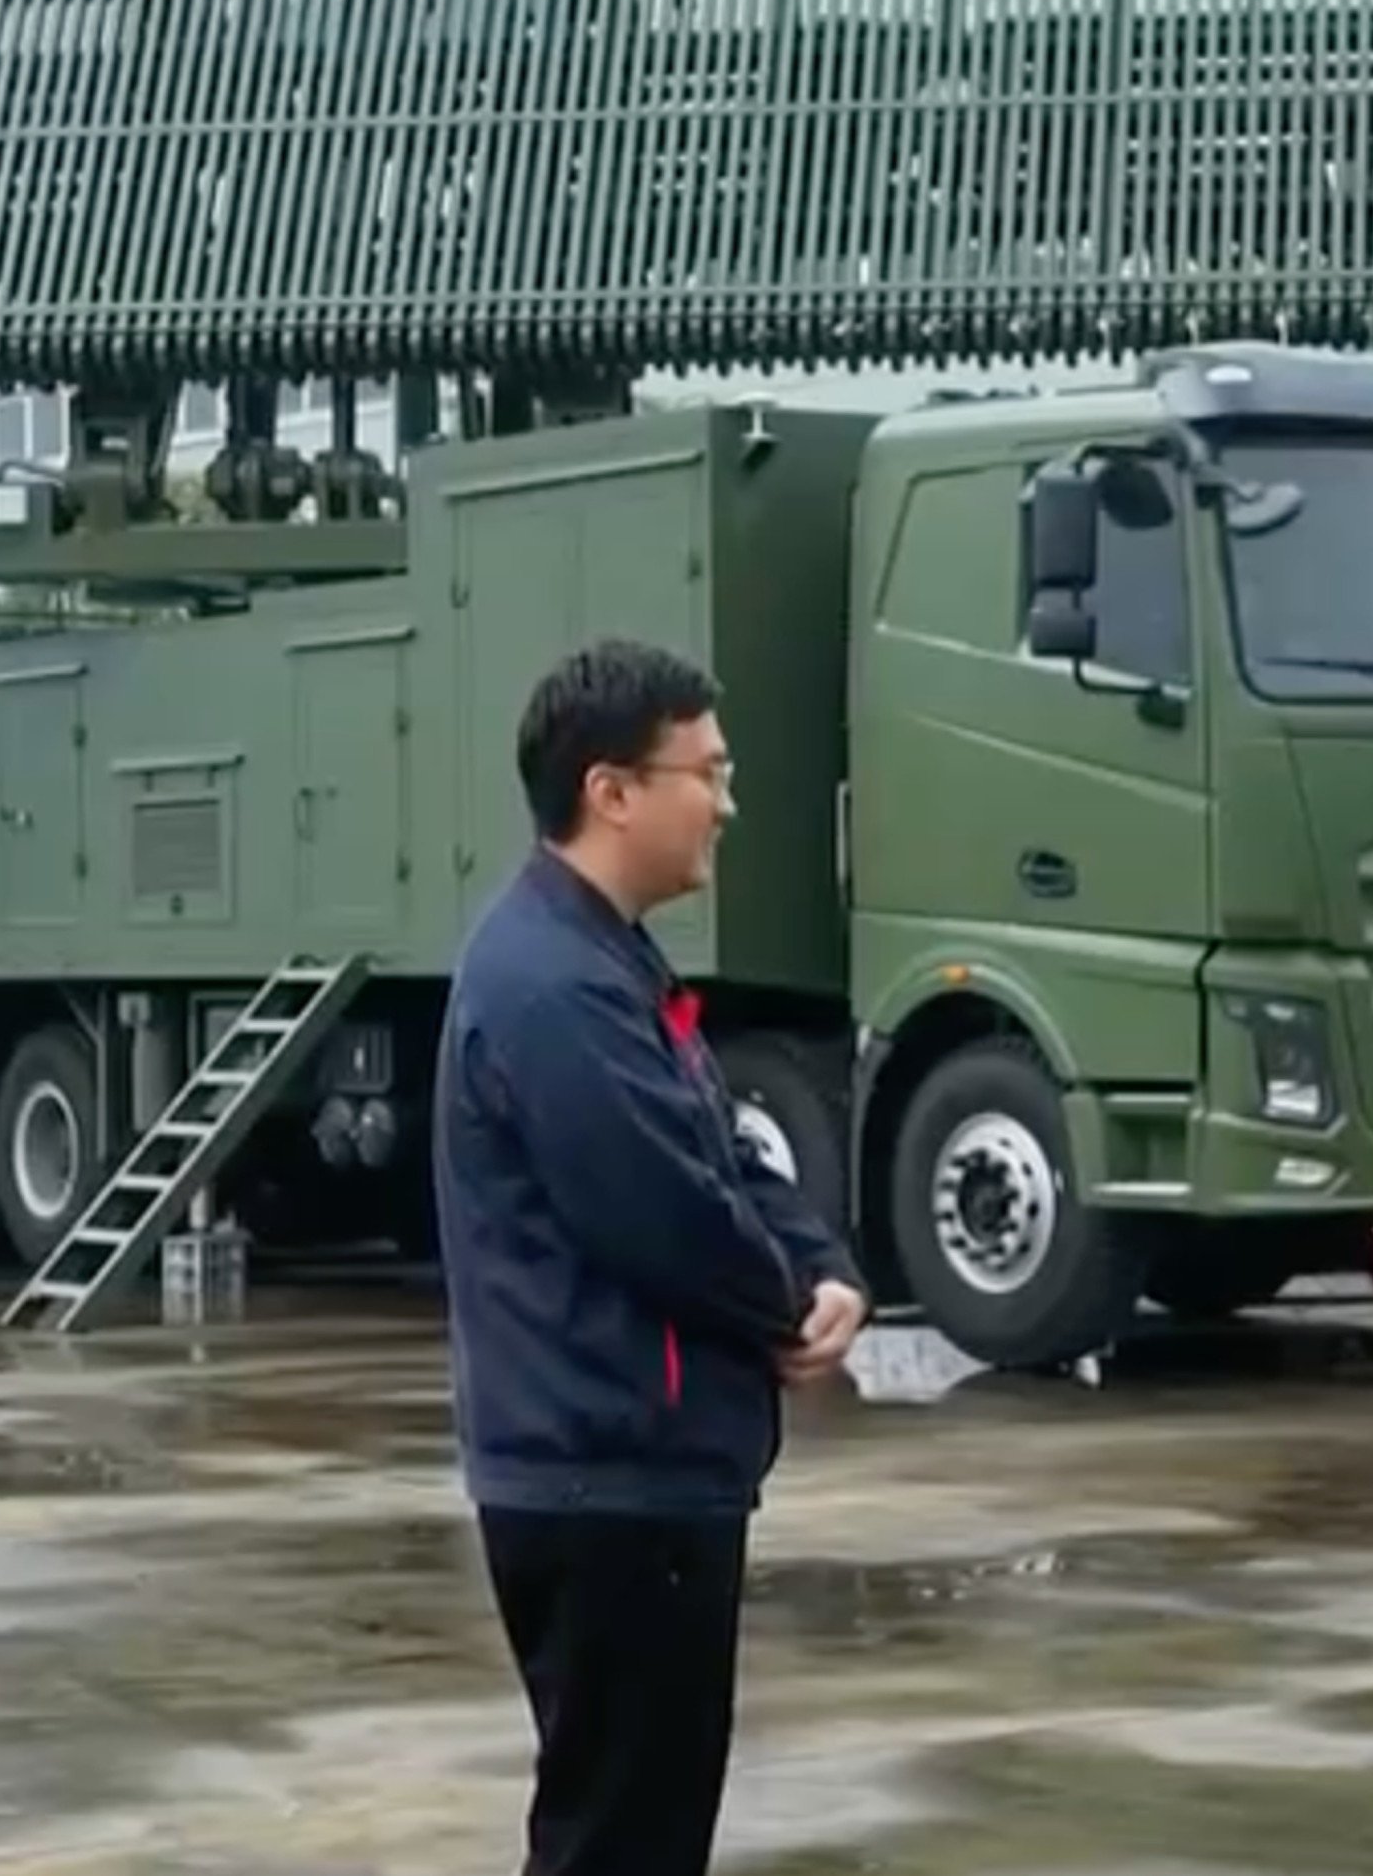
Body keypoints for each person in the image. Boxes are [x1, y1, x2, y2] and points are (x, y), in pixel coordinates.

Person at [433, 635, 870, 1876]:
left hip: (638, 1469)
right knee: (617, 1842)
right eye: (707, 771)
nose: (726, 801)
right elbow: (662, 1210)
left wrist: (817, 1259)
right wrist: (789, 1304)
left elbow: (727, 1145)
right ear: (608, 790)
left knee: (639, 1833)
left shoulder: (605, 959)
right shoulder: (552, 986)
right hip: (607, 1477)